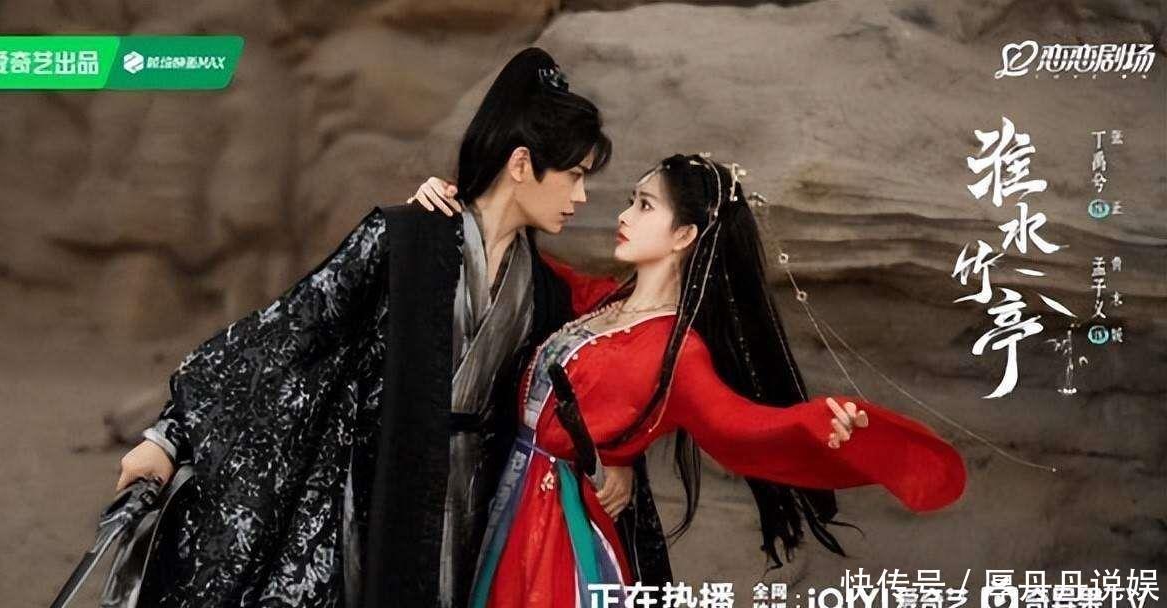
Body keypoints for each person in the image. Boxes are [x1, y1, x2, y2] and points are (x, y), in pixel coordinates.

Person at [113, 47, 665, 608]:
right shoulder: (402, 241)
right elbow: (285, 334)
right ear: (521, 164)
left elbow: (584, 388)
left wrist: (619, 460)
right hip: (382, 498)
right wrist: (167, 439)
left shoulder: (543, 291)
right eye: (574, 176)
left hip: (482, 509)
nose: (581, 196)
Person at [411, 154, 967, 608]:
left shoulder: (679, 353)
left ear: (684, 234)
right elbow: (517, 258)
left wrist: (818, 422)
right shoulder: (603, 301)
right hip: (509, 504)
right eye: (631, 200)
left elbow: (739, 427)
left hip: (557, 533)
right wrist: (458, 213)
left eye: (644, 205)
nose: (624, 215)